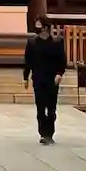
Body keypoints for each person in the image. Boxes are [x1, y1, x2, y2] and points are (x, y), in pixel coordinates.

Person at [23, 16, 67, 144]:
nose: (37, 28)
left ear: (46, 27)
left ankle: (50, 133)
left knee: (51, 108)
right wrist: (25, 77)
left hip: (52, 78)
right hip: (38, 78)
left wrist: (59, 73)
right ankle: (43, 134)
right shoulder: (32, 43)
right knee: (41, 107)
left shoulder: (56, 43)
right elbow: (28, 61)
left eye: (39, 26)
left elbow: (62, 60)